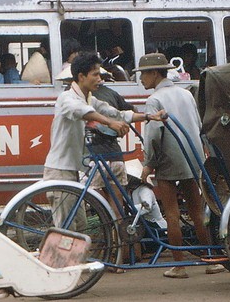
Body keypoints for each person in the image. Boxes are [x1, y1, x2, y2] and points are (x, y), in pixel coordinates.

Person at [43, 52, 163, 230]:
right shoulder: (67, 98)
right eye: (95, 74)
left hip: (72, 172)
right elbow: (84, 112)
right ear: (81, 76)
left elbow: (115, 112)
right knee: (66, 229)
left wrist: (148, 116)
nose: (100, 79)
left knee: (81, 226)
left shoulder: (89, 98)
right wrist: (110, 123)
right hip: (59, 171)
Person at [134, 52, 222, 278]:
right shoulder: (186, 94)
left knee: (171, 214)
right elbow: (198, 125)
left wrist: (148, 164)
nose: (141, 79)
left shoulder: (154, 100)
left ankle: (180, 266)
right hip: (193, 159)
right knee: (197, 211)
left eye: (143, 74)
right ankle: (211, 260)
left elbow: (154, 136)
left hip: (168, 161)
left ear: (155, 73)